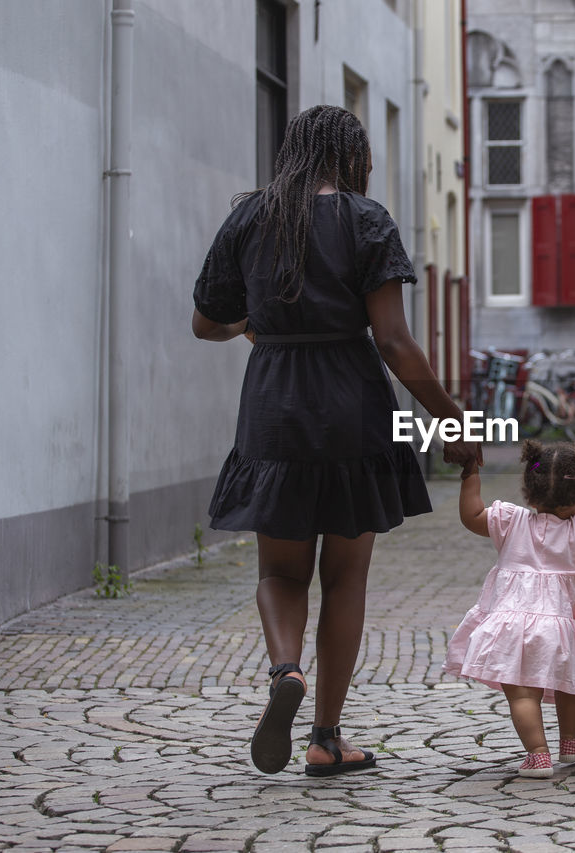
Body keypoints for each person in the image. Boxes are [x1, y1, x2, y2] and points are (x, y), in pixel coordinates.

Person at [191, 105, 479, 776]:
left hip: (274, 405)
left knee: (279, 571)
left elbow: (207, 321)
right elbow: (395, 341)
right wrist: (451, 417)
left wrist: (258, 322)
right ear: (352, 156)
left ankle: (284, 667)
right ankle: (324, 736)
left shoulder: (250, 217)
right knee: (345, 577)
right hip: (353, 404)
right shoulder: (366, 219)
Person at [444, 440, 575, 778]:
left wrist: (470, 473)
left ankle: (538, 754)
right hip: (560, 631)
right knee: (571, 685)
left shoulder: (510, 522)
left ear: (528, 493)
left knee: (523, 694)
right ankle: (569, 741)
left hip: (510, 627)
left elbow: (472, 516)